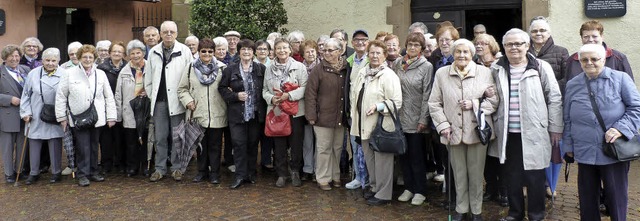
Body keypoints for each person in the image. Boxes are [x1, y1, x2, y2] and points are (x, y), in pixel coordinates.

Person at [563, 43, 640, 221]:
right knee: (587, 198)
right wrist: (568, 146)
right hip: (584, 149)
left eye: (594, 59)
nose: (589, 62)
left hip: (612, 149)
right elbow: (567, 117)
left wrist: (620, 128)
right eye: (584, 60)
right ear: (579, 62)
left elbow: (636, 107)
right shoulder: (573, 84)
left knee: (616, 197)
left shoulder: (620, 79)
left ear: (604, 59)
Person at [492, 28, 563, 221]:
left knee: (535, 177)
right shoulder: (496, 69)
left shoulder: (540, 67)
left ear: (527, 45)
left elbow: (554, 98)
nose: (514, 47)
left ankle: (536, 215)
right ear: (504, 47)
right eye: (509, 44)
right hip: (508, 132)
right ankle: (515, 214)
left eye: (518, 44)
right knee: (512, 177)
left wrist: (555, 127)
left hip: (534, 131)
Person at [429, 39, 498, 220]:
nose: (461, 55)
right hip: (452, 132)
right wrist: (443, 125)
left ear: (472, 54)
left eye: (466, 52)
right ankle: (461, 208)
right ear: (453, 53)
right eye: (458, 51)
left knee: (476, 175)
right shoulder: (442, 74)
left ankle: (476, 211)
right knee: (458, 174)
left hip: (476, 131)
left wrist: (474, 104)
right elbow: (434, 103)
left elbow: (494, 100)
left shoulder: (484, 72)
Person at [55, 44, 117, 187]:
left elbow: (108, 96)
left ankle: (94, 171)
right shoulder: (69, 73)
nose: (88, 59)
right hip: (78, 117)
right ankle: (82, 174)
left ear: (95, 58)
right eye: (85, 57)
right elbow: (61, 96)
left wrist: (111, 116)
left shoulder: (100, 74)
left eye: (90, 57)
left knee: (94, 145)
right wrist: (62, 117)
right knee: (83, 147)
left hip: (97, 116)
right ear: (79, 58)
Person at [350, 40, 402, 206]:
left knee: (383, 162)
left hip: (381, 126)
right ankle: (374, 187)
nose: (374, 56)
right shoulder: (363, 72)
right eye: (372, 52)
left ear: (385, 55)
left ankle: (384, 194)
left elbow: (397, 102)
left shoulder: (388, 76)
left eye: (378, 53)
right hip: (363, 125)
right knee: (370, 160)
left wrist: (378, 106)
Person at [527, 15, 569, 199]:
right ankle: (532, 184)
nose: (538, 33)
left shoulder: (561, 52)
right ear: (530, 33)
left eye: (542, 30)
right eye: (535, 30)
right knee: (531, 148)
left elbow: (567, 79)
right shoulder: (523, 51)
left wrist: (546, 89)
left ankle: (549, 184)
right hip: (530, 109)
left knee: (553, 148)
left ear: (549, 32)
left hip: (551, 106)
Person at [144, 21, 192, 182]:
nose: (169, 34)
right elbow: (148, 77)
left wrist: (186, 99)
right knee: (160, 137)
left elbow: (189, 77)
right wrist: (152, 95)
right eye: (165, 32)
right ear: (161, 34)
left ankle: (177, 168)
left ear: (177, 34)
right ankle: (160, 168)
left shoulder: (184, 51)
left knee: (178, 137)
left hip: (177, 102)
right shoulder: (154, 52)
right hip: (159, 102)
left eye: (172, 31)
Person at [218, 39, 267, 189]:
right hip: (237, 115)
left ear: (253, 53)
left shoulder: (261, 69)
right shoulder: (230, 69)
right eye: (243, 49)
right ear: (239, 52)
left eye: (250, 50)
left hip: (255, 114)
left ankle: (250, 174)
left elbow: (265, 89)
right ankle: (239, 175)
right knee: (238, 145)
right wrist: (235, 96)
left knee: (252, 144)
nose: (246, 52)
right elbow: (222, 88)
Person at [392, 33, 434, 206]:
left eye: (416, 45)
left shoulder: (426, 66)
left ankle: (420, 190)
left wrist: (423, 119)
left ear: (422, 49)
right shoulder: (397, 63)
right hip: (399, 116)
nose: (412, 48)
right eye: (410, 44)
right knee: (403, 155)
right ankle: (408, 188)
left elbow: (427, 94)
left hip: (417, 118)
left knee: (417, 157)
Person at [178, 38, 227, 184]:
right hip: (198, 112)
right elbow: (182, 89)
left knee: (215, 145)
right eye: (203, 51)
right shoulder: (190, 68)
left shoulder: (222, 68)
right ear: (199, 52)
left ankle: (215, 173)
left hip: (217, 112)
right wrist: (188, 101)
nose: (206, 54)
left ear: (214, 52)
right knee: (200, 145)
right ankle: (201, 171)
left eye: (210, 51)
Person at [262, 38, 308, 188]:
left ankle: (295, 171)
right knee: (279, 144)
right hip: (277, 111)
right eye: (278, 48)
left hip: (295, 111)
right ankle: (282, 173)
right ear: (274, 51)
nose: (282, 51)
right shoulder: (269, 68)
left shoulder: (299, 67)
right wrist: (271, 99)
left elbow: (305, 87)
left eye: (285, 48)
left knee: (296, 143)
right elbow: (264, 90)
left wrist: (289, 95)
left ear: (290, 50)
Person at [305, 38, 348, 190]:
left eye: (331, 50)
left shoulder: (345, 68)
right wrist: (311, 115)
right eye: (324, 50)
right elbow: (310, 93)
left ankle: (335, 176)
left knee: (337, 148)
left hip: (340, 116)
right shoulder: (319, 69)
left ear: (339, 51)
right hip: (322, 117)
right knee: (323, 149)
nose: (327, 53)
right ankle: (323, 177)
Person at [19, 48, 65, 184]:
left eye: (54, 60)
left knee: (55, 142)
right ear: (42, 60)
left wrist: (65, 115)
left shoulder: (65, 74)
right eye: (47, 60)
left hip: (56, 115)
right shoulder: (33, 74)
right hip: (36, 114)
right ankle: (34, 172)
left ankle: (56, 172)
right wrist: (25, 112)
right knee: (34, 143)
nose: (50, 63)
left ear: (58, 61)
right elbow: (25, 95)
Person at [473, 33, 507, 207]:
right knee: (486, 154)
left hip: (500, 114)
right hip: (482, 116)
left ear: (492, 46)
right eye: (477, 43)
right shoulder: (473, 65)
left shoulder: (501, 63)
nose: (479, 46)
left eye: (483, 43)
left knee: (501, 153)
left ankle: (504, 190)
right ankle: (490, 188)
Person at [564, 20, 633, 90]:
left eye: (594, 36)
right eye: (586, 36)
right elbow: (567, 88)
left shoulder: (618, 58)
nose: (590, 40)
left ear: (602, 37)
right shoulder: (572, 60)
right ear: (581, 38)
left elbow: (629, 88)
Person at [114, 39, 148, 177]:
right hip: (129, 111)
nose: (135, 56)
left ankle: (146, 166)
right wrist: (118, 114)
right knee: (131, 142)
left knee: (146, 141)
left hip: (145, 110)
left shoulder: (150, 68)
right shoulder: (124, 72)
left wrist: (148, 92)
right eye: (132, 53)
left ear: (143, 53)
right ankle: (132, 167)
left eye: (138, 53)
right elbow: (118, 94)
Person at [0, 44, 31, 183]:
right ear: (5, 58)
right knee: (8, 146)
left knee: (21, 144)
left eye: (17, 55)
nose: (14, 58)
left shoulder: (25, 70)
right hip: (7, 114)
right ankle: (8, 173)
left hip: (24, 114)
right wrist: (9, 99)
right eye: (11, 56)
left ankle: (19, 170)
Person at [97, 41, 128, 174]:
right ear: (110, 53)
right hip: (106, 106)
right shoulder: (101, 68)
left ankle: (120, 162)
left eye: (119, 51)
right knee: (106, 138)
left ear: (123, 54)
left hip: (123, 106)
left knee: (121, 136)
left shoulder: (127, 67)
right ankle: (106, 164)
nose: (116, 53)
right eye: (114, 51)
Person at [345, 30, 370, 190]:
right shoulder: (349, 61)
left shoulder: (372, 59)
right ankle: (358, 177)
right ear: (352, 43)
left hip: (367, 112)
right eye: (357, 40)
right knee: (355, 146)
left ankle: (368, 180)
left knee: (366, 148)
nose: (360, 42)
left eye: (364, 40)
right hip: (353, 112)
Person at [300, 39, 320, 181]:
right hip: (304, 108)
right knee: (307, 141)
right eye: (307, 51)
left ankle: (317, 170)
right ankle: (308, 168)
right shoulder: (299, 67)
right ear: (303, 54)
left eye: (312, 51)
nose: (310, 54)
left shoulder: (322, 66)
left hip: (320, 109)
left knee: (320, 142)